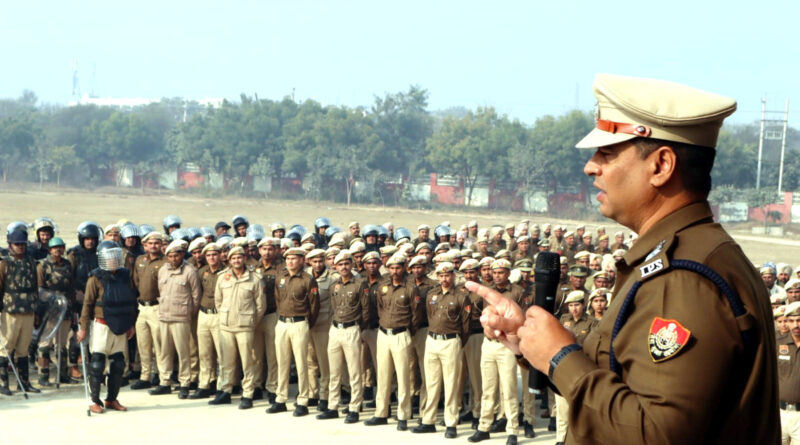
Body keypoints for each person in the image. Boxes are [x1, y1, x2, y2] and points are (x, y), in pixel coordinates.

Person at [472, 73, 779, 444]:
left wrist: (560, 356)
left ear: (661, 166)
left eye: (607, 153)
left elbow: (656, 434)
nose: (591, 167)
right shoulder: (684, 256)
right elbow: (620, 386)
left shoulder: (683, 278)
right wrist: (531, 340)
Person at [468, 258, 524, 445]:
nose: (497, 275)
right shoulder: (487, 291)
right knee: (488, 388)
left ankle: (512, 430)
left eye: (501, 272)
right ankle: (484, 426)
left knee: (508, 389)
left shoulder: (517, 292)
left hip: (507, 344)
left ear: (508, 273)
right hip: (489, 343)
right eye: (495, 272)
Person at [411, 262, 470, 439]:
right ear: (437, 277)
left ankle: (451, 422)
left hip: (451, 341)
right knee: (431, 382)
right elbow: (430, 316)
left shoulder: (461, 296)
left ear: (453, 276)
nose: (444, 279)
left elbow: (465, 326)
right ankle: (428, 420)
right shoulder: (432, 294)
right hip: (432, 340)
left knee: (451, 383)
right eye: (441, 276)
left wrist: (457, 342)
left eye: (448, 275)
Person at [77, 240, 137, 413]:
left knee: (118, 364)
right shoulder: (95, 278)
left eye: (115, 257)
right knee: (97, 364)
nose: (112, 261)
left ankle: (112, 399)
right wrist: (83, 328)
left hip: (120, 325)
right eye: (108, 257)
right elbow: (87, 305)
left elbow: (130, 302)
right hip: (101, 325)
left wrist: (130, 324)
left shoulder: (125, 276)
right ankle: (94, 400)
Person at [364, 253, 422, 431]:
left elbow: (416, 314)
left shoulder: (411, 288)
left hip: (401, 334)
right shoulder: (383, 286)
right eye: (391, 268)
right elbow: (380, 308)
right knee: (383, 374)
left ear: (404, 268)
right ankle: (381, 412)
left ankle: (403, 415)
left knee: (403, 376)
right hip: (383, 334)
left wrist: (406, 331)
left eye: (398, 268)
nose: (395, 271)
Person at [209, 246, 265, 409]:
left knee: (248, 362)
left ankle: (248, 393)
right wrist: (224, 317)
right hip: (227, 326)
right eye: (233, 258)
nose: (236, 261)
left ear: (244, 259)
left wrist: (251, 322)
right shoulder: (223, 278)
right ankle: (225, 391)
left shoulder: (254, 279)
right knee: (226, 361)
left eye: (239, 258)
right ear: (229, 260)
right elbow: (218, 301)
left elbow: (260, 305)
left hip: (245, 326)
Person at [267, 247, 319, 416]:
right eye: (288, 258)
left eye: (294, 259)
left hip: (299, 323)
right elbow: (277, 299)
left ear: (302, 260)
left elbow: (314, 306)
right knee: (282, 361)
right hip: (282, 322)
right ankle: (280, 399)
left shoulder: (308, 279)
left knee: (301, 363)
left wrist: (305, 324)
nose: (290, 261)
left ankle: (303, 400)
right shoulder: (280, 277)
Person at [317, 250, 367, 423]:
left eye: (347, 264)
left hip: (352, 329)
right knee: (334, 371)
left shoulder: (360, 284)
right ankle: (333, 406)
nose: (344, 267)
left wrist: (361, 330)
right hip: (335, 330)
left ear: (352, 265)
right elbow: (333, 307)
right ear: (335, 267)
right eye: (340, 264)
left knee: (354, 371)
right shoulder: (334, 285)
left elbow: (366, 310)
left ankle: (354, 407)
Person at [150, 240, 201, 399]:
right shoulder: (163, 270)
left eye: (176, 255)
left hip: (181, 317)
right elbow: (160, 290)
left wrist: (188, 313)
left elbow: (196, 296)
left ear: (181, 255)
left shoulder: (189, 271)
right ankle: (165, 382)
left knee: (183, 352)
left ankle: (184, 383)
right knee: (164, 351)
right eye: (170, 256)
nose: (173, 258)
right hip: (164, 316)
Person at [0, 229, 40, 395]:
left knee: (23, 348)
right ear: (10, 246)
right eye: (17, 244)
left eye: (23, 244)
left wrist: (36, 310)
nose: (21, 247)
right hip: (10, 311)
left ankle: (24, 383)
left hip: (28, 310)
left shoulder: (31, 262)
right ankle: (3, 384)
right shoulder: (4, 263)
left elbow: (35, 287)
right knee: (6, 347)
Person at [35, 237, 78, 386]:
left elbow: (72, 288)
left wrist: (73, 310)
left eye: (60, 247)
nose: (58, 250)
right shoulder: (42, 265)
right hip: (50, 309)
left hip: (65, 308)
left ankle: (63, 375)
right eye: (55, 248)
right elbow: (39, 289)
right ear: (50, 249)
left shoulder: (67, 264)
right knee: (45, 343)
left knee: (62, 344)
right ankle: (43, 376)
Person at [130, 231, 166, 390]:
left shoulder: (165, 262)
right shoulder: (139, 260)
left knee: (159, 344)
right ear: (145, 245)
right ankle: (145, 375)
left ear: (161, 245)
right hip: (142, 308)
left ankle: (160, 374)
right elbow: (135, 281)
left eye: (156, 243)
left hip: (157, 307)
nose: (153, 246)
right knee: (143, 344)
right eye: (150, 243)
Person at [191, 242, 223, 399]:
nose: (211, 258)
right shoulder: (202, 272)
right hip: (204, 314)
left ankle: (222, 386)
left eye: (214, 254)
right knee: (204, 352)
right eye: (209, 255)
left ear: (220, 255)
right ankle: (205, 384)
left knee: (222, 353)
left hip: (219, 315)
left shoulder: (226, 272)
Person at [778, 302, 800, 444]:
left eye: (799, 320)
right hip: (780, 413)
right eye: (791, 321)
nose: (795, 324)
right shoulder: (778, 344)